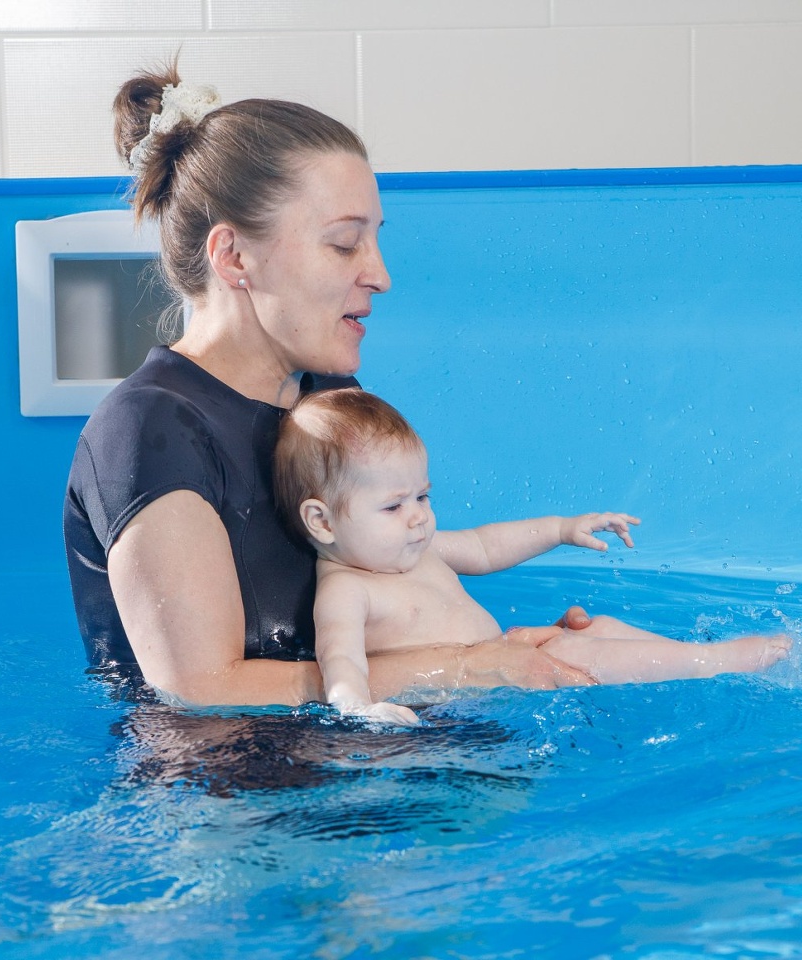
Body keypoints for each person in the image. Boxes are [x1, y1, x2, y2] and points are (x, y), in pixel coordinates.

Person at [63, 64, 595, 707]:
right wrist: (471, 667)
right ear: (233, 257)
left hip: (368, 764)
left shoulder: (326, 394)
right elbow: (203, 692)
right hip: (235, 799)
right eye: (345, 244)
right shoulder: (148, 431)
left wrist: (509, 653)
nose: (380, 275)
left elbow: (394, 592)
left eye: (374, 241)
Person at [273, 388, 793, 725]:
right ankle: (712, 664)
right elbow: (339, 660)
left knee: (596, 630)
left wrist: (563, 529)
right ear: (322, 521)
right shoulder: (348, 589)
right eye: (393, 505)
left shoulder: (419, 548)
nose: (418, 517)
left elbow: (485, 544)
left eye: (423, 497)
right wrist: (360, 710)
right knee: (577, 657)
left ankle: (696, 653)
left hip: (506, 657)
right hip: (460, 704)